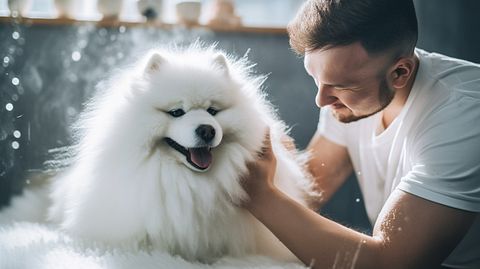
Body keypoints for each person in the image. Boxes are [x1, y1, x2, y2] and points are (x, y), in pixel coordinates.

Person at [241, 0, 480, 268]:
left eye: (339, 85)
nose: (321, 99)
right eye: (316, 78)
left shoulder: (466, 112)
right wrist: (277, 165)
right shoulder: (347, 93)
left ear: (400, 72)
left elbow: (388, 262)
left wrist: (262, 195)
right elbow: (311, 189)